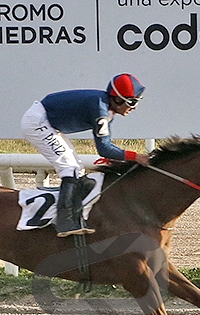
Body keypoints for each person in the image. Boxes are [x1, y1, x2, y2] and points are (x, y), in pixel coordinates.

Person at [21, 73, 150, 237]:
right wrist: (136, 156)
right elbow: (104, 149)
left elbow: (106, 146)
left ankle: (72, 215)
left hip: (48, 123)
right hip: (38, 122)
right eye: (131, 102)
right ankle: (65, 222)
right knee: (70, 168)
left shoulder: (107, 109)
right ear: (118, 99)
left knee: (77, 169)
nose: (134, 108)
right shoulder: (100, 109)